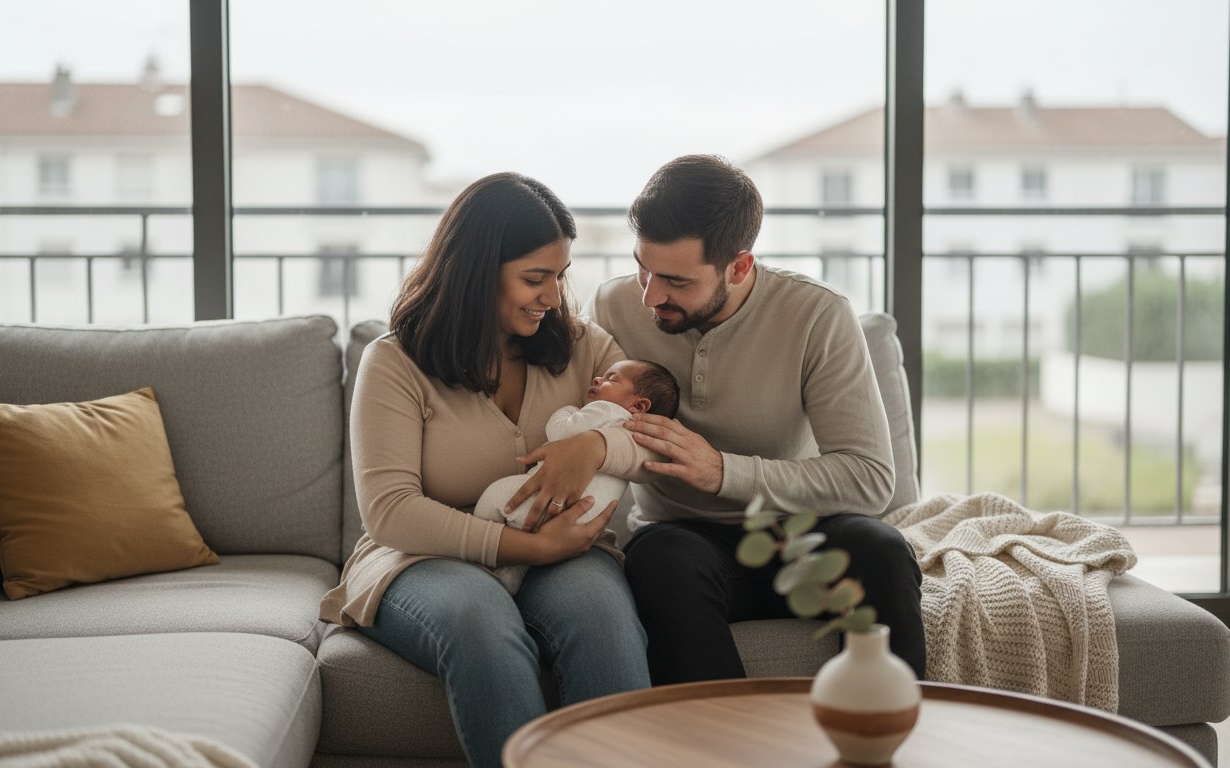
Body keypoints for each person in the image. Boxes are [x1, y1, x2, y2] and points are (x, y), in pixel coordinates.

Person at [319, 173, 651, 768]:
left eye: (559, 276)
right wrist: (529, 548)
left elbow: (657, 442)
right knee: (480, 624)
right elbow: (391, 511)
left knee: (604, 625)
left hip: (571, 552)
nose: (552, 296)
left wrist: (595, 450)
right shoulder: (394, 362)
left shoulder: (585, 349)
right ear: (477, 271)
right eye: (533, 278)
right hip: (422, 560)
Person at [588, 154, 927, 684]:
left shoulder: (817, 315)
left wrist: (723, 472)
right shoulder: (614, 305)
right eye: (642, 268)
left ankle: (885, 737)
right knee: (661, 559)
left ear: (740, 267)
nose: (651, 295)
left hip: (803, 537)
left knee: (881, 548)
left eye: (676, 280)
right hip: (683, 541)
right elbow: (584, 418)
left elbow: (870, 478)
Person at [475, 359, 680, 593]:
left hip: (551, 501)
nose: (597, 379)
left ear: (640, 406)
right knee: (524, 544)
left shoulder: (607, 410)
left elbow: (561, 431)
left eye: (611, 379)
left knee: (495, 496)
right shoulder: (636, 431)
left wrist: (569, 409)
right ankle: (510, 576)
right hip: (585, 518)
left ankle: (478, 562)